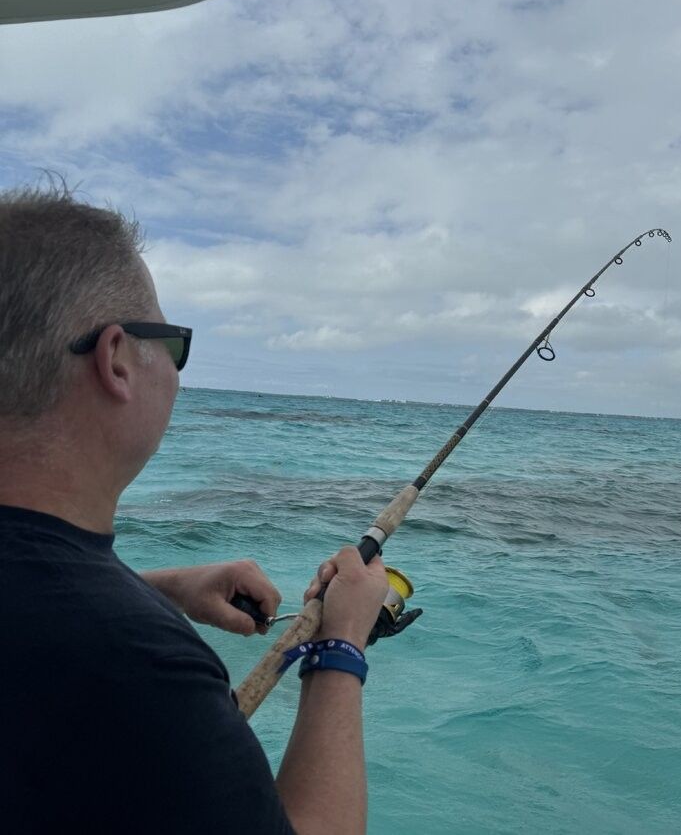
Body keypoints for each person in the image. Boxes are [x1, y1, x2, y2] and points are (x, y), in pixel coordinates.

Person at [0, 182, 390, 834]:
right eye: (173, 343)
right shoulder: (139, 669)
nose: (178, 372)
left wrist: (164, 589)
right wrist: (341, 647)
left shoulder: (76, 631)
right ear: (117, 359)